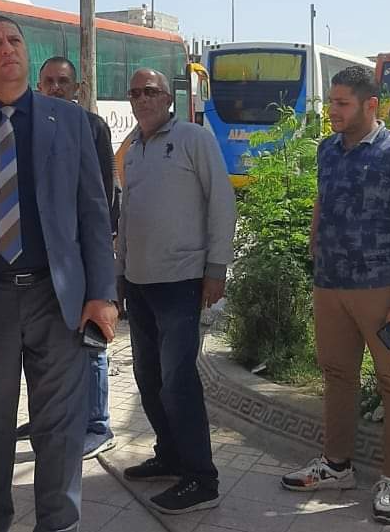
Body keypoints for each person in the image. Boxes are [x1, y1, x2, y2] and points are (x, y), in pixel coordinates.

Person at [0, 15, 117, 532]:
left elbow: (94, 213)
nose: (7, 48)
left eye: (14, 40)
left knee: (60, 430)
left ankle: (59, 524)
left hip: (59, 301)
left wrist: (102, 293)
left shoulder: (70, 122)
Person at [281, 66, 390, 526]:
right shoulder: (327, 149)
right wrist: (316, 237)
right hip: (331, 284)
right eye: (331, 101)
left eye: (342, 103)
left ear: (371, 105)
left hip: (381, 286)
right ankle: (336, 467)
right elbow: (323, 197)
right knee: (336, 375)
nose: (332, 110)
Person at [116, 68, 236, 515]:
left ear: (168, 98)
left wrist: (216, 268)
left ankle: (202, 479)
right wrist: (120, 274)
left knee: (179, 383)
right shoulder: (134, 149)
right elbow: (127, 215)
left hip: (181, 283)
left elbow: (222, 201)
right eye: (135, 92)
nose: (142, 99)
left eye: (151, 91)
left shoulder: (193, 139)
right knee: (148, 379)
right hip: (140, 285)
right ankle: (170, 455)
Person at [16, 56, 116, 459]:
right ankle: (45, 416)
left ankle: (97, 423)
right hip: (44, 266)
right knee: (44, 351)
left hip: (80, 257)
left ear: (77, 89)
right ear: (38, 86)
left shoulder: (91, 126)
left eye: (63, 81)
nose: (55, 87)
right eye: (49, 81)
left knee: (90, 338)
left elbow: (101, 198)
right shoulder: (30, 128)